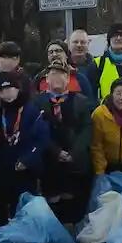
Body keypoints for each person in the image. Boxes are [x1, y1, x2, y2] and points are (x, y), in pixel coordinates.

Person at [34, 61, 93, 222]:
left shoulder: (81, 101)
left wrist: (73, 153)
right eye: (53, 74)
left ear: (68, 79)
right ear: (47, 78)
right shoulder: (37, 102)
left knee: (73, 202)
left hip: (75, 162)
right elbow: (37, 130)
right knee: (51, 201)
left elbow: (86, 129)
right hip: (49, 161)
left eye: (62, 74)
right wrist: (56, 152)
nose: (57, 78)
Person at [0, 71, 49, 222]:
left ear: (18, 89)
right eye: (3, 91)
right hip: (4, 169)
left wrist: (28, 160)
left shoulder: (31, 110)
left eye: (11, 89)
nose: (7, 94)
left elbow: (42, 139)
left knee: (25, 205)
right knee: (2, 203)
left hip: (25, 169)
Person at [68, 28, 100, 94]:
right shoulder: (63, 66)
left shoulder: (96, 66)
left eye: (83, 42)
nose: (79, 45)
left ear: (88, 44)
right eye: (75, 42)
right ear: (69, 44)